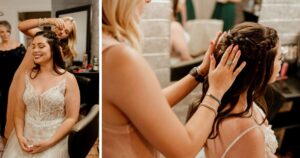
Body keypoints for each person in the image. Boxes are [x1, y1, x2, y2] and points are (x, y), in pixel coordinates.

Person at [102, 0, 246, 157]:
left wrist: (200, 73)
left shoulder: (107, 50)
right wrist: (216, 90)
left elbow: (150, 104)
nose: (148, 1)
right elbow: (185, 149)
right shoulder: (119, 58)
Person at [187, 22, 281, 157]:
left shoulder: (217, 105)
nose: (282, 63)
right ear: (260, 68)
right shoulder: (249, 132)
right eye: (279, 58)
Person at [2, 30, 80, 157]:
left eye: (41, 46)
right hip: (26, 137)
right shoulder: (25, 76)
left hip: (54, 138)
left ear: (53, 49)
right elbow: (19, 111)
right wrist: (20, 136)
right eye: (33, 46)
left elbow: (71, 118)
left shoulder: (69, 79)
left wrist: (49, 142)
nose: (35, 50)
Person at [0, 20, 26, 141]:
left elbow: (26, 65)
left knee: (20, 105)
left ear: (10, 32)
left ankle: (20, 132)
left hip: (19, 82)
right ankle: (6, 135)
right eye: (1, 32)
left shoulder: (19, 46)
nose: (4, 34)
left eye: (6, 31)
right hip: (3, 84)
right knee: (4, 108)